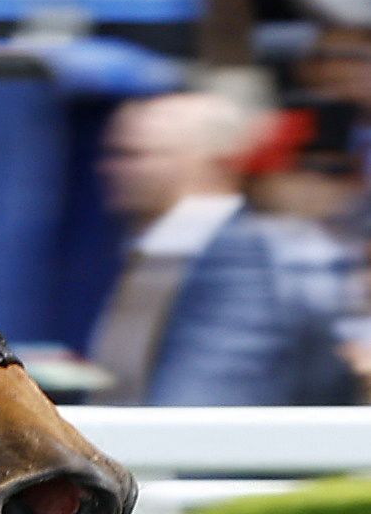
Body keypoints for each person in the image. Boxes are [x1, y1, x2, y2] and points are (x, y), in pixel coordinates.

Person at [86, 86, 363, 410]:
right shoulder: (158, 251)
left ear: (216, 163)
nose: (110, 168)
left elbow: (199, 411)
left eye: (135, 154)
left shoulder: (241, 262)